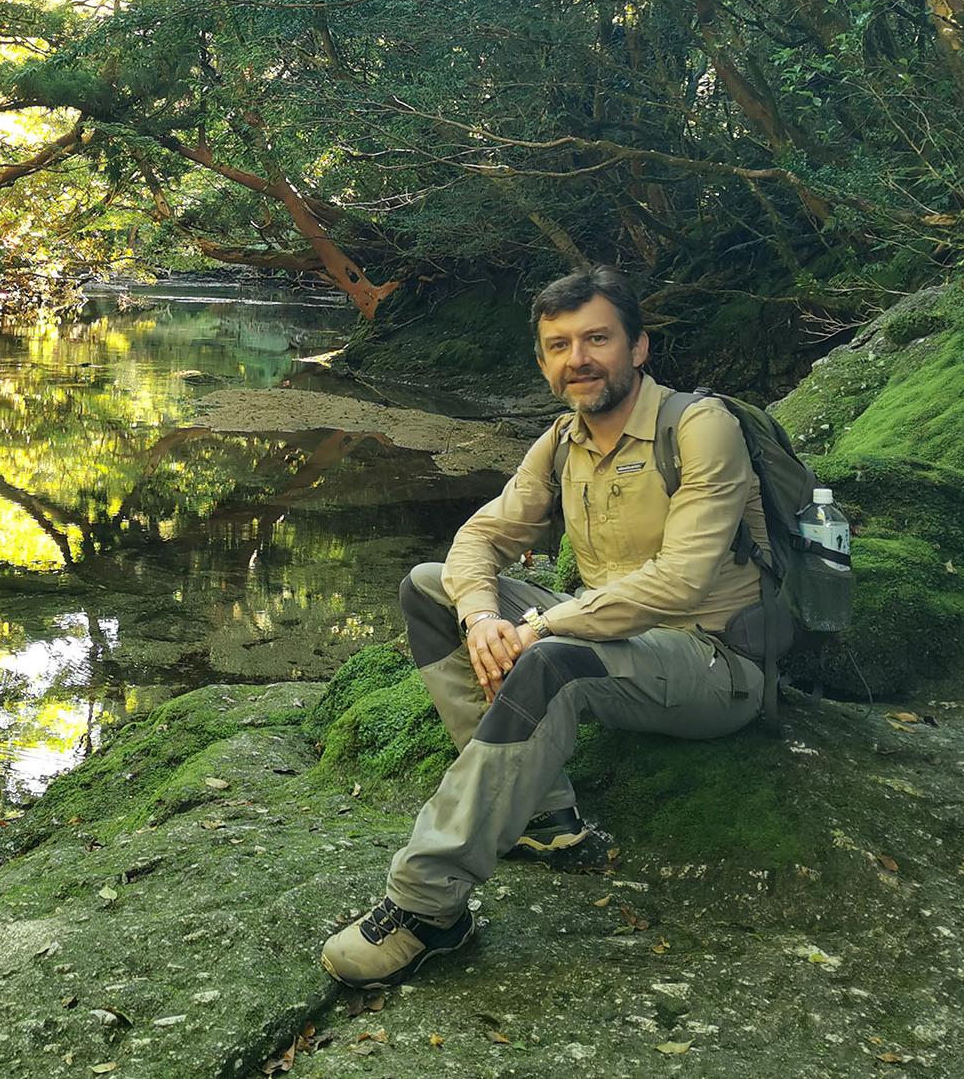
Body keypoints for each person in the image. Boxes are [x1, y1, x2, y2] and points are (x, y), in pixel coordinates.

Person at [320, 266, 768, 990]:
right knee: (429, 586)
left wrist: (536, 629)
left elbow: (680, 580)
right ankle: (542, 814)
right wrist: (481, 616)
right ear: (543, 362)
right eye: (559, 345)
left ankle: (427, 907)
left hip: (714, 662)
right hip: (613, 644)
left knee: (552, 658)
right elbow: (478, 536)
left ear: (638, 347)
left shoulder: (699, 427)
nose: (578, 358)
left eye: (596, 338)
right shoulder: (561, 441)